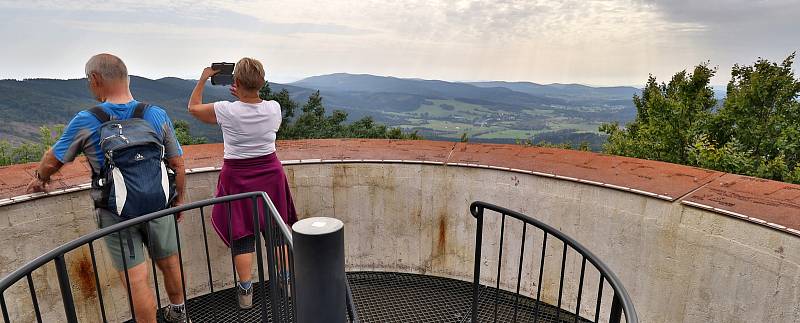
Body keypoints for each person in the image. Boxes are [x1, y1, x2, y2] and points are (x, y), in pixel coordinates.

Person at [26, 54, 189, 323]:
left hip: (116, 215)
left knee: (137, 280)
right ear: (127, 78)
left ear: (95, 79)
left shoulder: (87, 120)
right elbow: (178, 164)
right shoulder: (155, 114)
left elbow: (53, 159)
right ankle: (180, 314)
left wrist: (40, 179)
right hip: (159, 206)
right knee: (170, 263)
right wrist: (177, 202)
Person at [188, 57, 298, 309]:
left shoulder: (226, 110)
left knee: (242, 234)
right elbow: (255, 107)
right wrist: (246, 93)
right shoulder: (274, 108)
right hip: (270, 174)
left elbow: (193, 108)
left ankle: (246, 292)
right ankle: (288, 283)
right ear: (262, 82)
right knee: (277, 233)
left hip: (237, 177)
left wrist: (204, 77)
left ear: (235, 82)